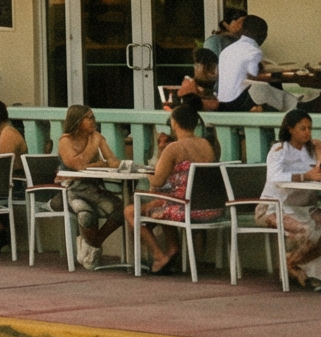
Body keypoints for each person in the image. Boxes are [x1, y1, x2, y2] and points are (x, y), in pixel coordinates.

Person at [264, 107, 321, 290]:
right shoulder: (279, 150)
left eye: (310, 128)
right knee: (310, 230)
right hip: (275, 207)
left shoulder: (311, 150)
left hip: (304, 206)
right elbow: (275, 177)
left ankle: (313, 272)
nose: (308, 132)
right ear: (290, 129)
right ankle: (291, 263)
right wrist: (304, 176)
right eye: (303, 128)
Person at [135, 99, 220, 276]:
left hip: (185, 208)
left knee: (131, 211)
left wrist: (146, 174)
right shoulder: (206, 145)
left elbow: (158, 181)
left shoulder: (174, 148)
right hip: (210, 208)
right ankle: (176, 252)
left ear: (174, 123)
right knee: (162, 201)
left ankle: (160, 256)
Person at [56, 105, 126, 268]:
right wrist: (95, 148)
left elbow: (113, 161)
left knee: (121, 210)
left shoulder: (97, 137)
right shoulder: (65, 140)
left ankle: (93, 245)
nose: (94, 121)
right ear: (78, 121)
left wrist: (103, 161)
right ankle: (91, 251)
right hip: (73, 190)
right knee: (87, 215)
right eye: (90, 117)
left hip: (95, 189)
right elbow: (77, 164)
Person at [216, 15, 271, 111]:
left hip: (223, 103)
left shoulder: (227, 50)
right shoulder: (254, 51)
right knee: (277, 98)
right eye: (264, 32)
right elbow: (254, 78)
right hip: (240, 104)